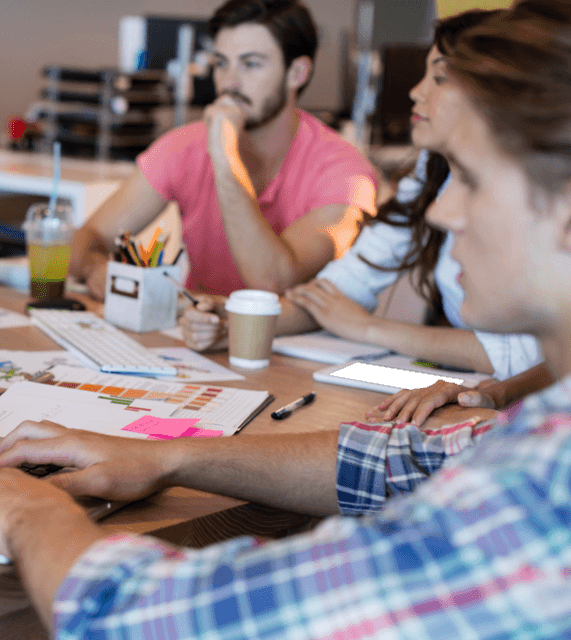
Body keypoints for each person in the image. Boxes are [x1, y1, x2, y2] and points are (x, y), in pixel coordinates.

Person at [0, 3, 571, 640]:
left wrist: (28, 516)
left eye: (472, 178)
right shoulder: (538, 444)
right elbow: (398, 462)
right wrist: (167, 457)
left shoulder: (541, 503)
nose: (442, 211)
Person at [181, 9, 548, 423]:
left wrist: (366, 328)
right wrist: (235, 319)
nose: (416, 91)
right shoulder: (431, 172)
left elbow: (525, 352)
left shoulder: (534, 191)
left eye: (439, 77)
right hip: (485, 398)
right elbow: (337, 292)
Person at [68, 0, 377, 302]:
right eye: (221, 63)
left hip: (290, 336)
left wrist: (225, 156)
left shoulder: (346, 173)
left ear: (297, 73)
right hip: (196, 327)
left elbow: (272, 281)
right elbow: (89, 236)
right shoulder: (185, 145)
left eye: (251, 64)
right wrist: (98, 268)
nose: (230, 82)